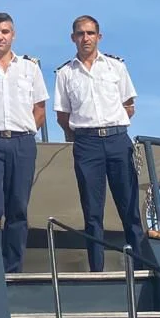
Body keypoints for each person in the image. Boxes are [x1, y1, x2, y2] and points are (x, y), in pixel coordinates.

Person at [54, 15, 144, 273]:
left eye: (90, 33)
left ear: (99, 36)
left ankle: (139, 265)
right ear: (73, 38)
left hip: (117, 140)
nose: (86, 38)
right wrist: (83, 136)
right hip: (87, 143)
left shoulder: (116, 67)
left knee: (129, 206)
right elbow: (62, 115)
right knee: (92, 212)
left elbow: (129, 105)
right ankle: (97, 269)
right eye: (81, 34)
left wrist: (111, 127)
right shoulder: (65, 73)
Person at [0, 12, 48, 272]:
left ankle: (13, 268)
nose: (0, 37)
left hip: (22, 143)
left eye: (5, 32)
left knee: (18, 208)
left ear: (13, 35)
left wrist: (25, 132)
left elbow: (40, 109)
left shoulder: (30, 68)